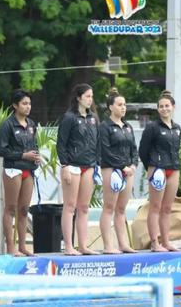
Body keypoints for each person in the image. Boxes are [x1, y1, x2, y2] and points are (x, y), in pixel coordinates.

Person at [57, 83, 100, 255]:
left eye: (91, 96)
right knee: (70, 206)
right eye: (87, 96)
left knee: (84, 207)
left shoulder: (93, 118)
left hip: (89, 166)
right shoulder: (69, 117)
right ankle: (68, 245)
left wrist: (97, 163)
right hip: (72, 165)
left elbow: (97, 142)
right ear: (78, 97)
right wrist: (65, 165)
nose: (90, 99)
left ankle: (83, 245)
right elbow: (61, 143)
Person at [0, 89, 40, 256]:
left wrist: (36, 156)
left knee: (23, 209)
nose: (28, 107)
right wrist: (23, 155)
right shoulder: (7, 125)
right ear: (15, 105)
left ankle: (22, 246)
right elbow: (2, 150)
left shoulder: (31, 125)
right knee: (10, 207)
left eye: (29, 103)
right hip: (13, 169)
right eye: (24, 103)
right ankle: (11, 246)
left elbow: (34, 145)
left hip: (28, 170)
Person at [139, 90, 181, 252]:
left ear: (173, 107)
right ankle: (155, 243)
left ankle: (166, 241)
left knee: (167, 208)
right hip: (157, 169)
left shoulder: (177, 128)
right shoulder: (152, 127)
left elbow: (176, 149)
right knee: (155, 206)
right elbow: (143, 150)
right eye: (161, 106)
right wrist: (150, 167)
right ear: (157, 109)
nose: (164, 109)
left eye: (167, 106)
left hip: (174, 169)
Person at [98, 88, 138, 254]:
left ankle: (123, 244)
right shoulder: (105, 126)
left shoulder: (128, 127)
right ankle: (108, 245)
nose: (123, 107)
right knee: (109, 207)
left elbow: (134, 149)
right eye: (120, 104)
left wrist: (133, 165)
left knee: (121, 209)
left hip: (128, 170)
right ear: (110, 107)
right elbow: (106, 151)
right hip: (112, 169)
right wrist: (122, 166)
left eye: (125, 105)